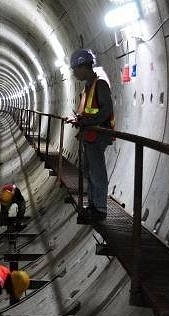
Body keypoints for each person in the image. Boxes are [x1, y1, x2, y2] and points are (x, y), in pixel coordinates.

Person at [67, 49, 115, 222]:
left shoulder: (100, 84)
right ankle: (93, 205)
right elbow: (88, 109)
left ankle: (100, 209)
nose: (73, 73)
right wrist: (78, 118)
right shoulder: (89, 86)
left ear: (83, 67)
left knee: (97, 172)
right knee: (90, 171)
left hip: (98, 134)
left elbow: (106, 110)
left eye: (74, 69)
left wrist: (86, 122)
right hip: (90, 134)